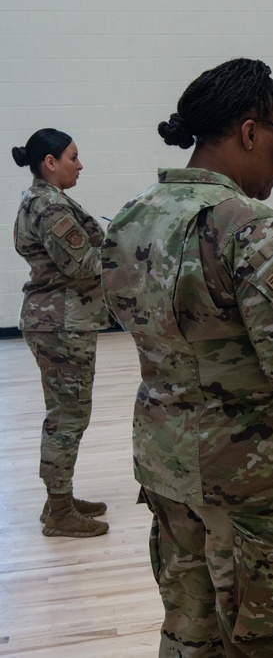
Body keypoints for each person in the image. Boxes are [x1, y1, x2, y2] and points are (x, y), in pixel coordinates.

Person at [101, 58, 273, 657]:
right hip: (252, 481)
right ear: (250, 131)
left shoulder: (134, 219)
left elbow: (163, 323)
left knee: (189, 632)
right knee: (268, 641)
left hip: (168, 467)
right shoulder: (254, 228)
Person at [12, 129, 110, 539]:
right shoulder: (50, 206)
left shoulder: (42, 199)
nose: (80, 164)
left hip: (57, 322)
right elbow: (83, 264)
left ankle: (60, 500)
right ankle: (60, 512)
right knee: (67, 417)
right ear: (50, 162)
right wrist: (126, 244)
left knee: (66, 413)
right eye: (73, 156)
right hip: (61, 324)